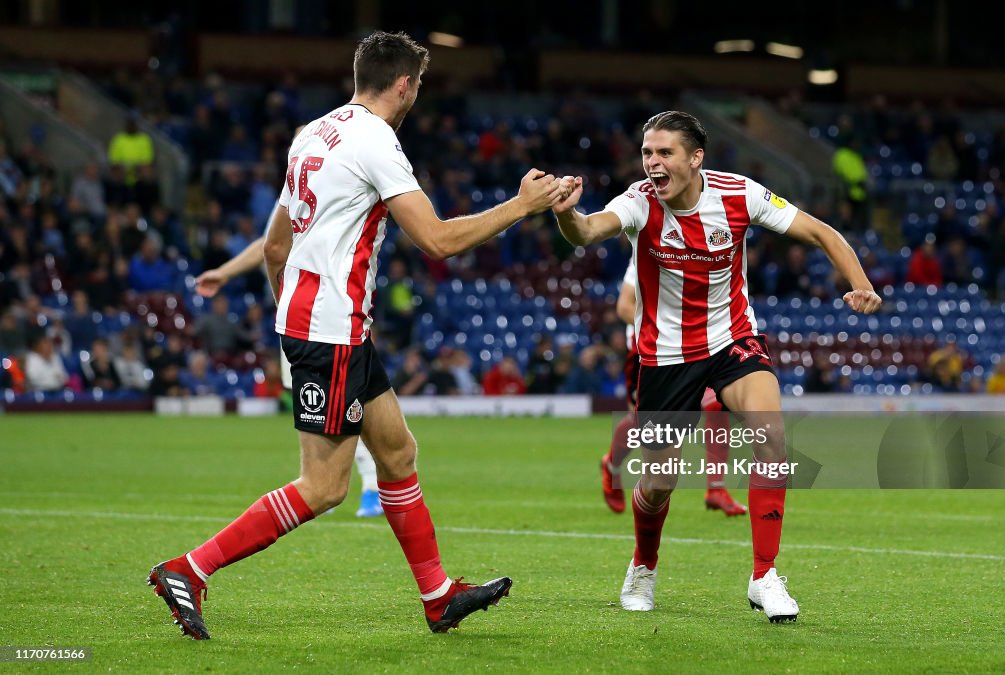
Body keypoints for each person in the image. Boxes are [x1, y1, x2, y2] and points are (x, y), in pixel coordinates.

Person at [148, 31, 565, 639]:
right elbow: (439, 241)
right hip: (331, 330)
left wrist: (290, 314)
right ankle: (191, 568)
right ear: (404, 84)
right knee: (324, 486)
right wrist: (521, 206)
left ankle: (437, 596)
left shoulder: (312, 134)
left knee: (397, 452)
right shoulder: (376, 141)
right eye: (417, 85)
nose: (417, 94)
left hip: (328, 324)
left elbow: (274, 245)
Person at [552, 111, 881, 622]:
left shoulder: (739, 194)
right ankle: (643, 563)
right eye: (647, 153)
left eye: (664, 153)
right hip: (664, 355)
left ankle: (764, 575)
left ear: (695, 158)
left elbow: (821, 233)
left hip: (733, 340)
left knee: (771, 435)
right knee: (660, 481)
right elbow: (588, 231)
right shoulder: (640, 201)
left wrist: (860, 283)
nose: (653, 163)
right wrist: (565, 214)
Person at [193, 129, 385, 521]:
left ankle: (361, 486)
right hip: (304, 317)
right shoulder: (298, 193)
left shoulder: (334, 192)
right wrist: (224, 274)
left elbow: (273, 249)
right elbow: (269, 245)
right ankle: (326, 484)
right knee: (335, 408)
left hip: (324, 318)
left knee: (348, 406)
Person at [600, 262, 747, 516]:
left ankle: (716, 488)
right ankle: (611, 465)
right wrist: (669, 326)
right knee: (641, 423)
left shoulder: (703, 246)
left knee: (715, 404)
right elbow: (624, 307)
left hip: (699, 347)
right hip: (652, 350)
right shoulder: (648, 247)